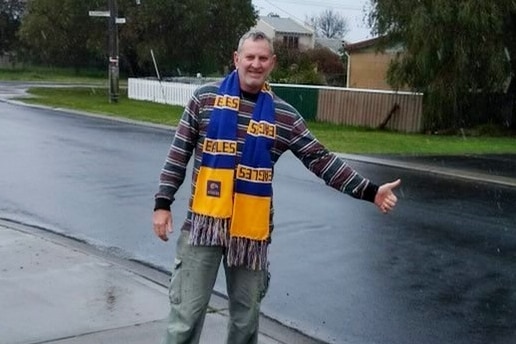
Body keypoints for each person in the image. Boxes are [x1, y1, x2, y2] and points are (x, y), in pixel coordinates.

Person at [152, 29, 401, 344]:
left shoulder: (284, 116)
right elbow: (178, 153)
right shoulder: (205, 99)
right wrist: (163, 203)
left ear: (272, 63)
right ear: (236, 59)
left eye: (262, 58)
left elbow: (321, 160)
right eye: (250, 57)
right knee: (185, 319)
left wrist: (369, 190)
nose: (255, 64)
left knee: (245, 324)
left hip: (251, 235)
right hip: (203, 226)